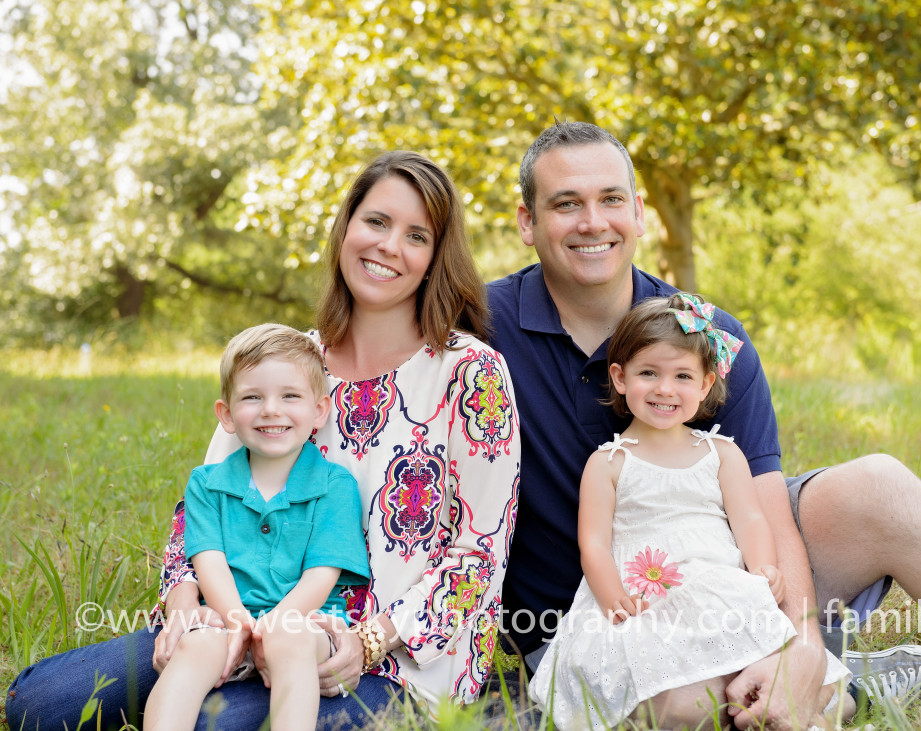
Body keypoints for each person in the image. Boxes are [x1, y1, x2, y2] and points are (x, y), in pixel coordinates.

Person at [488, 121, 921, 729]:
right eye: (566, 204)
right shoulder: (477, 327)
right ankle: (852, 689)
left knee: (878, 486)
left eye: (611, 199)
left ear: (638, 212)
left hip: (720, 578)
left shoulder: (707, 334)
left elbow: (763, 506)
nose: (593, 222)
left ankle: (812, 669)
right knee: (699, 710)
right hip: (595, 617)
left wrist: (796, 637)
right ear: (527, 222)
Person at [5, 151, 521, 730]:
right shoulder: (288, 361)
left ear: (434, 258)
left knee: (211, 725)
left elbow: (478, 556)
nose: (388, 246)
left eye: (416, 235)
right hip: (237, 616)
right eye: (376, 221)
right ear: (347, 227)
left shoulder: (469, 373)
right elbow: (200, 506)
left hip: (385, 658)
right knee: (40, 704)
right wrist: (183, 611)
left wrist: (367, 643)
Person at [528, 293, 852, 729]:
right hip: (644, 597)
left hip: (717, 583)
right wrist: (613, 599)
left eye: (683, 375)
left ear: (704, 384)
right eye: (649, 373)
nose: (665, 389)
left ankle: (812, 703)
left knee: (765, 660)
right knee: (668, 684)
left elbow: (751, 519)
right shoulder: (608, 462)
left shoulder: (721, 453)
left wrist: (764, 566)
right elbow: (594, 544)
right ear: (620, 378)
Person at [143, 323, 370, 731]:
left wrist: (272, 625)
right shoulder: (207, 484)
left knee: (289, 637)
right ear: (227, 415)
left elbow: (323, 574)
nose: (270, 409)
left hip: (308, 623)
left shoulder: (335, 486)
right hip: (228, 617)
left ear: (319, 411)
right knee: (196, 644)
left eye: (289, 396)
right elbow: (207, 561)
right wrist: (236, 621)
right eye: (252, 397)